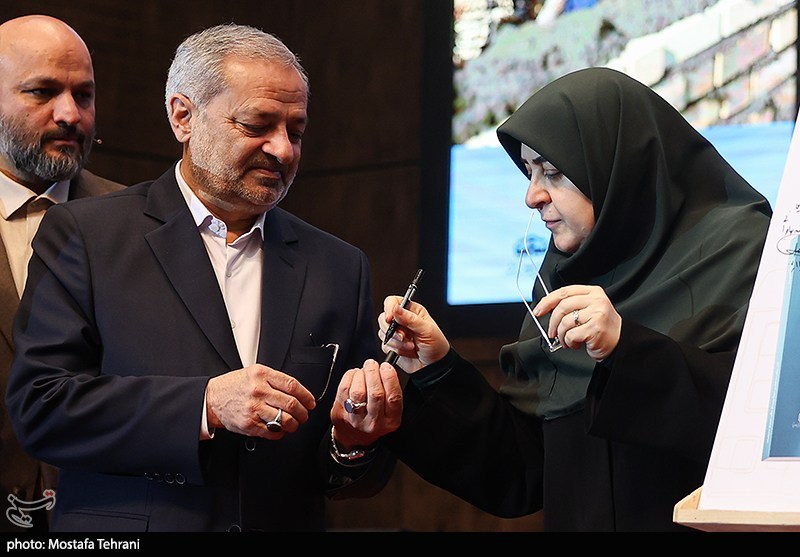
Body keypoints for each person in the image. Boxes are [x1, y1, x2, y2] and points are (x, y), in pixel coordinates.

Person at [6, 23, 401, 532]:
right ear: (183, 117)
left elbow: (350, 475)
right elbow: (42, 409)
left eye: (296, 131)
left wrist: (353, 443)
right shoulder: (87, 235)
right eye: (257, 125)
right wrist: (205, 405)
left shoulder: (339, 266)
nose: (283, 150)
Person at [373, 67, 773, 531]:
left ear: (617, 165)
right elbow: (523, 471)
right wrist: (438, 368)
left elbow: (762, 428)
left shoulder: (745, 255)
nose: (532, 196)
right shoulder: (564, 276)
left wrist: (626, 347)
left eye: (553, 172)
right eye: (529, 172)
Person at [0, 14, 125, 532]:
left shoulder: (144, 225)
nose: (71, 114)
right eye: (42, 92)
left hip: (109, 519)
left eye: (84, 95)